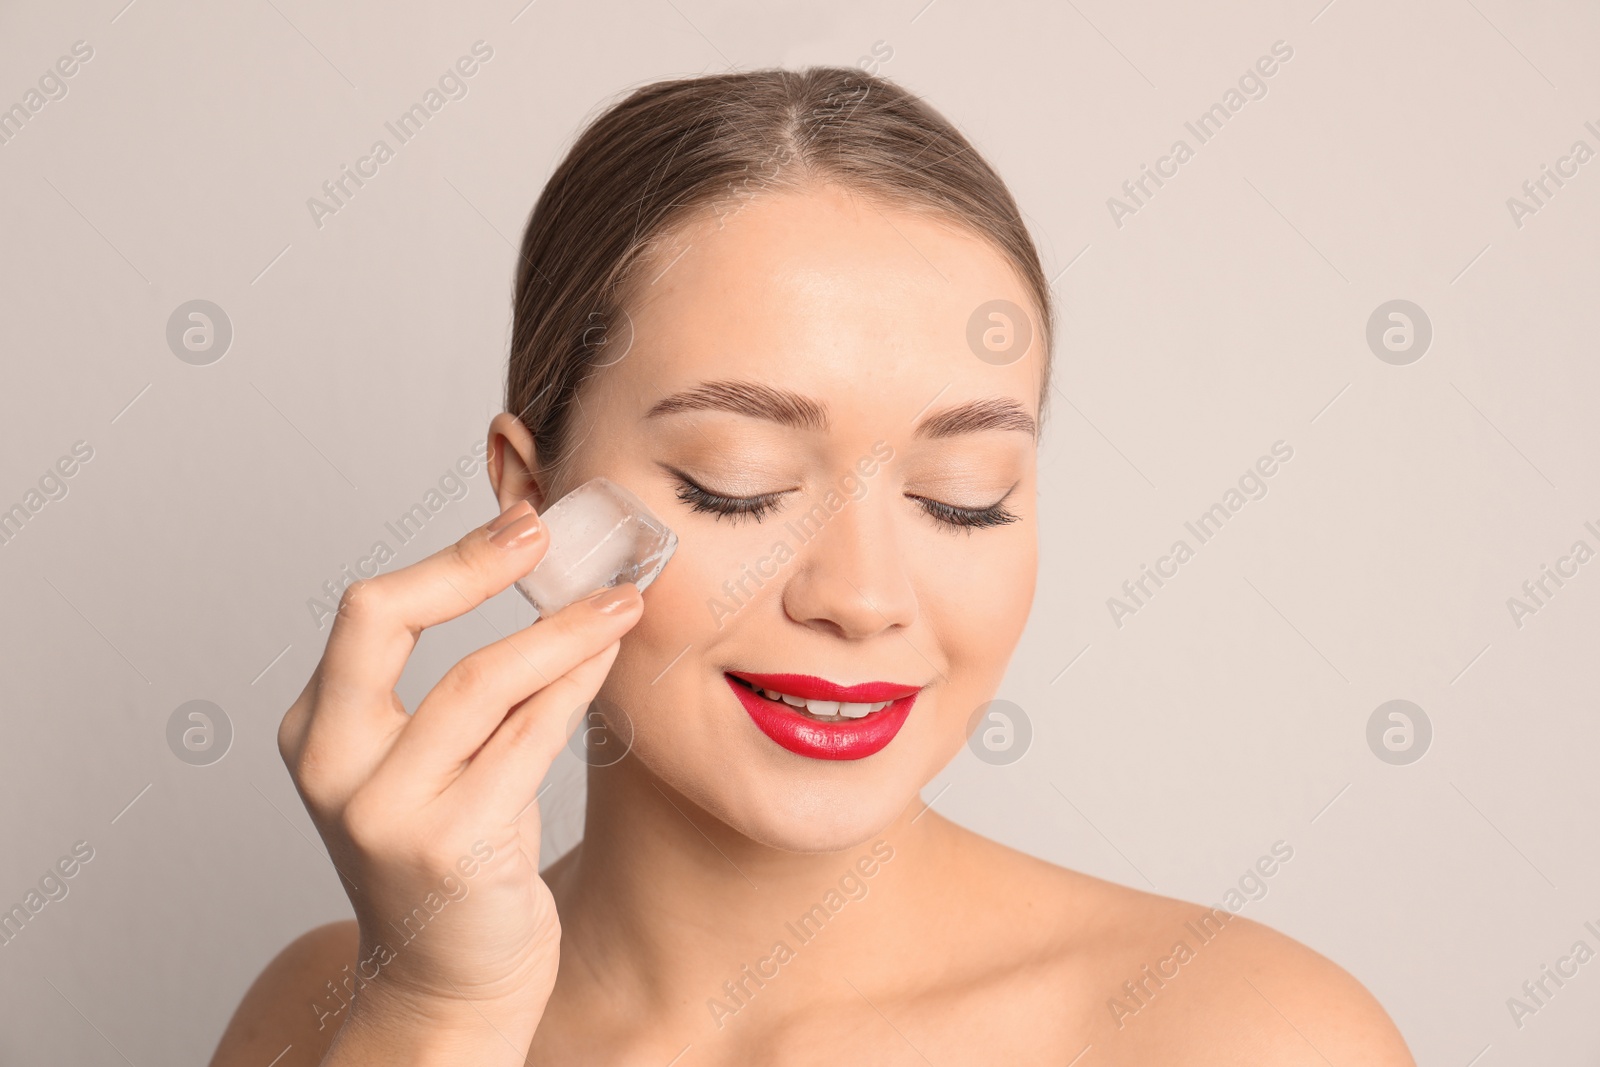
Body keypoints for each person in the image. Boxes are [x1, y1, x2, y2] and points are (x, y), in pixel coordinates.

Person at [210, 67, 1414, 1065]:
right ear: (536, 502)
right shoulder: (322, 1012)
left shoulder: (1243, 1033)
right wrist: (437, 1017)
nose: (863, 597)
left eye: (964, 500)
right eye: (737, 483)